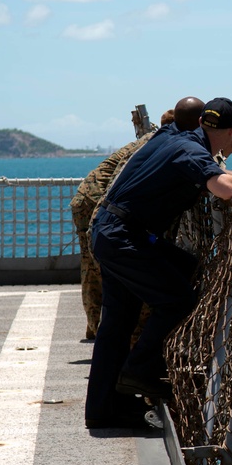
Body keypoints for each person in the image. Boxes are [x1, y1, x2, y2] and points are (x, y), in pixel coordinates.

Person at [84, 97, 232, 429]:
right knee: (179, 298)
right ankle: (141, 371)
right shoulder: (191, 150)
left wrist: (223, 171)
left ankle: (103, 409)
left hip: (111, 230)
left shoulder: (177, 135)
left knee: (119, 323)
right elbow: (222, 187)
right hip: (124, 238)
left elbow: (204, 169)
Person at [69, 98, 205, 338]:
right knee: (101, 272)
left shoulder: (156, 140)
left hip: (95, 203)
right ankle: (105, 329)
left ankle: (97, 327)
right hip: (98, 205)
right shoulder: (166, 144)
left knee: (93, 270)